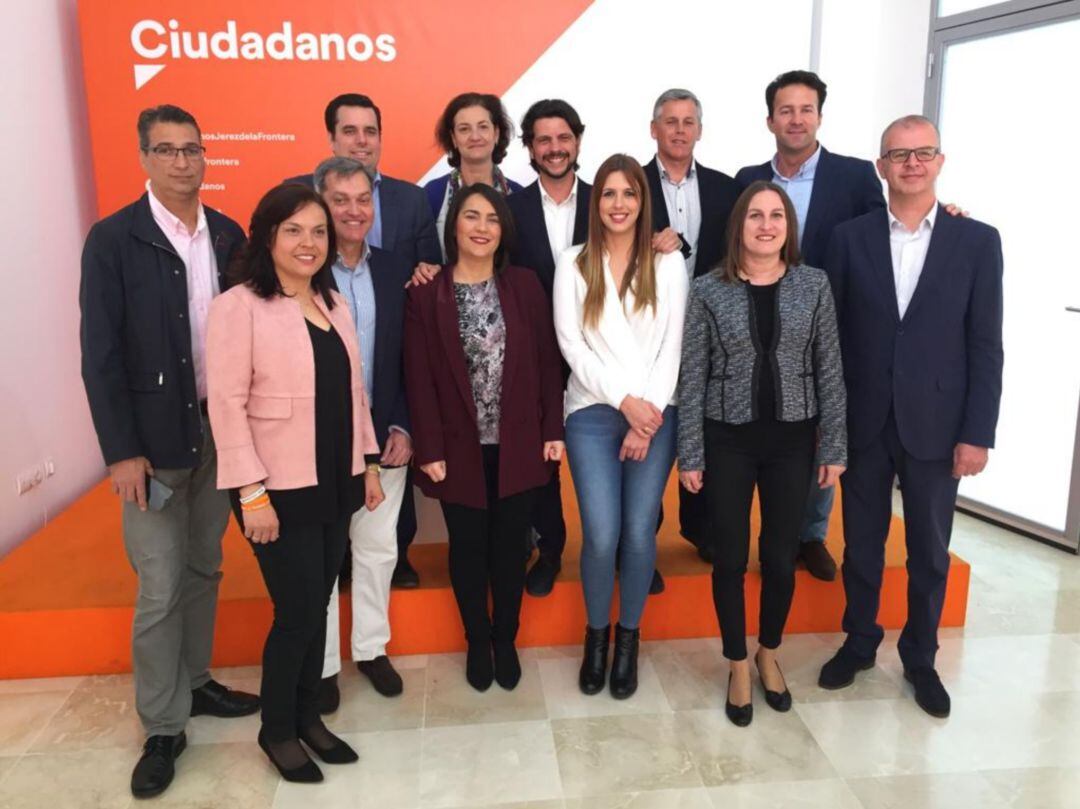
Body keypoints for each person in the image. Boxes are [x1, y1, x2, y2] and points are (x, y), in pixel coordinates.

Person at [79, 104, 258, 800]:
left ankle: (198, 681)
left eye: (192, 149)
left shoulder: (229, 233)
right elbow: (100, 356)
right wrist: (120, 450)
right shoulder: (114, 240)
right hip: (150, 448)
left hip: (217, 432)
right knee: (158, 585)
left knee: (204, 564)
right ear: (145, 158)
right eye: (168, 150)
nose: (183, 162)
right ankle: (162, 724)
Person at [818, 115, 1003, 719]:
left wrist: (978, 433)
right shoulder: (850, 238)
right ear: (882, 167)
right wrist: (831, 424)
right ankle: (859, 641)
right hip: (864, 420)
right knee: (863, 545)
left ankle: (921, 657)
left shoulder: (976, 241)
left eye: (923, 153)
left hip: (939, 422)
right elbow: (832, 339)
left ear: (940, 161)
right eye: (899, 155)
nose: (911, 164)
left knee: (929, 551)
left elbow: (985, 344)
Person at [206, 183, 385, 782]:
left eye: (318, 232)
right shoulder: (239, 305)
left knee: (319, 603)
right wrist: (250, 494)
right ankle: (277, 729)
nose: (308, 243)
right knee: (297, 611)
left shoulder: (331, 301)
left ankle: (309, 717)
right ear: (267, 236)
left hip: (333, 479)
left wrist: (369, 464)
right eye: (294, 231)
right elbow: (226, 407)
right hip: (275, 489)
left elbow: (352, 393)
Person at [678, 181, 846, 727]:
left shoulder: (814, 285)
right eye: (755, 215)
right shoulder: (708, 289)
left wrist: (835, 444)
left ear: (788, 227)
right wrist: (691, 454)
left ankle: (768, 653)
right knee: (729, 556)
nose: (766, 225)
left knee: (778, 556)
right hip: (727, 439)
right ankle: (736, 664)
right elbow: (694, 376)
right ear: (739, 226)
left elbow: (830, 370)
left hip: (793, 441)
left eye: (777, 215)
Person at [404, 184, 564, 692]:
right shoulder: (426, 293)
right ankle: (477, 639)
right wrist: (428, 447)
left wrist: (552, 431)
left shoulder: (525, 285)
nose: (481, 227)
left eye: (491, 219)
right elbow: (419, 377)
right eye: (470, 216)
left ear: (503, 230)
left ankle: (505, 639)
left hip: (518, 444)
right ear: (453, 226)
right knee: (468, 549)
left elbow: (545, 364)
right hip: (456, 449)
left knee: (510, 549)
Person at [284, 92, 439, 589]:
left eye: (369, 131)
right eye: (349, 131)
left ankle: (399, 556)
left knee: (386, 530)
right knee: (325, 541)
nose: (360, 140)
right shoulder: (294, 205)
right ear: (332, 138)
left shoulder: (410, 198)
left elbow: (423, 274)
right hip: (317, 408)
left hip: (385, 381)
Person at [735, 70, 885, 581]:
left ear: (819, 115)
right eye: (785, 110)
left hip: (831, 324)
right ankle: (771, 532)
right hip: (758, 323)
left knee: (821, 427)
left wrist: (947, 213)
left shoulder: (857, 176)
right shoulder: (748, 179)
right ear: (769, 119)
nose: (795, 120)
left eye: (805, 110)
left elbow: (885, 240)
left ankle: (811, 534)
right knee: (768, 429)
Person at [553, 154, 689, 700]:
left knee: (637, 534)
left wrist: (645, 415)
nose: (618, 204)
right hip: (591, 412)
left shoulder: (670, 263)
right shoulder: (573, 262)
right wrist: (623, 402)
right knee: (602, 534)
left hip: (656, 415)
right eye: (608, 194)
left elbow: (673, 347)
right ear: (596, 202)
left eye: (628, 194)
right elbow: (571, 344)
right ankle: (596, 638)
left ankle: (629, 638)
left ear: (642, 201)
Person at [311, 157, 414, 712]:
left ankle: (371, 649)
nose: (354, 210)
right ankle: (324, 664)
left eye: (362, 200)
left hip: (385, 437)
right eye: (341, 200)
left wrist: (403, 424)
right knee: (327, 558)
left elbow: (408, 358)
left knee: (377, 550)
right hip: (319, 444)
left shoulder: (396, 268)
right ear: (320, 204)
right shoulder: (300, 270)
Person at [644, 89, 741, 568]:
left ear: (699, 129)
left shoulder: (728, 188)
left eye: (688, 121)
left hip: (714, 329)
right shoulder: (629, 185)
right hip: (650, 329)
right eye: (670, 121)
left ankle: (701, 529)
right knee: (651, 429)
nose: (679, 130)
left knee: (707, 427)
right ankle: (643, 540)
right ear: (653, 129)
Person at [506, 98, 590, 597]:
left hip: (600, 354)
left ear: (577, 140)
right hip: (530, 356)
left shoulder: (611, 201)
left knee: (618, 452)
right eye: (543, 140)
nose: (554, 149)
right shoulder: (510, 210)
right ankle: (549, 549)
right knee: (540, 460)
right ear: (530, 148)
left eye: (563, 138)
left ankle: (629, 546)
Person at [424, 92, 524, 256]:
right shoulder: (432, 194)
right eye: (464, 129)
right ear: (454, 138)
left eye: (483, 127)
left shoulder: (519, 195)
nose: (475, 136)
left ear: (496, 134)